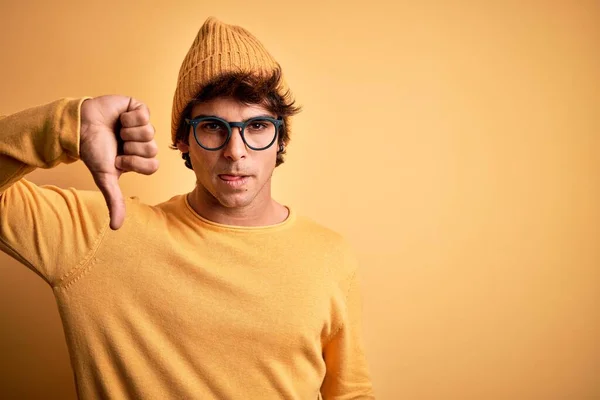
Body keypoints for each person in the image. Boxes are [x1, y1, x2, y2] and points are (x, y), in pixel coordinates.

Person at [0, 17, 375, 399]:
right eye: (213, 127)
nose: (236, 150)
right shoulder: (102, 233)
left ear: (281, 138)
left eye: (258, 126)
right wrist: (70, 126)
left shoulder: (329, 255)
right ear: (183, 140)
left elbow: (350, 393)